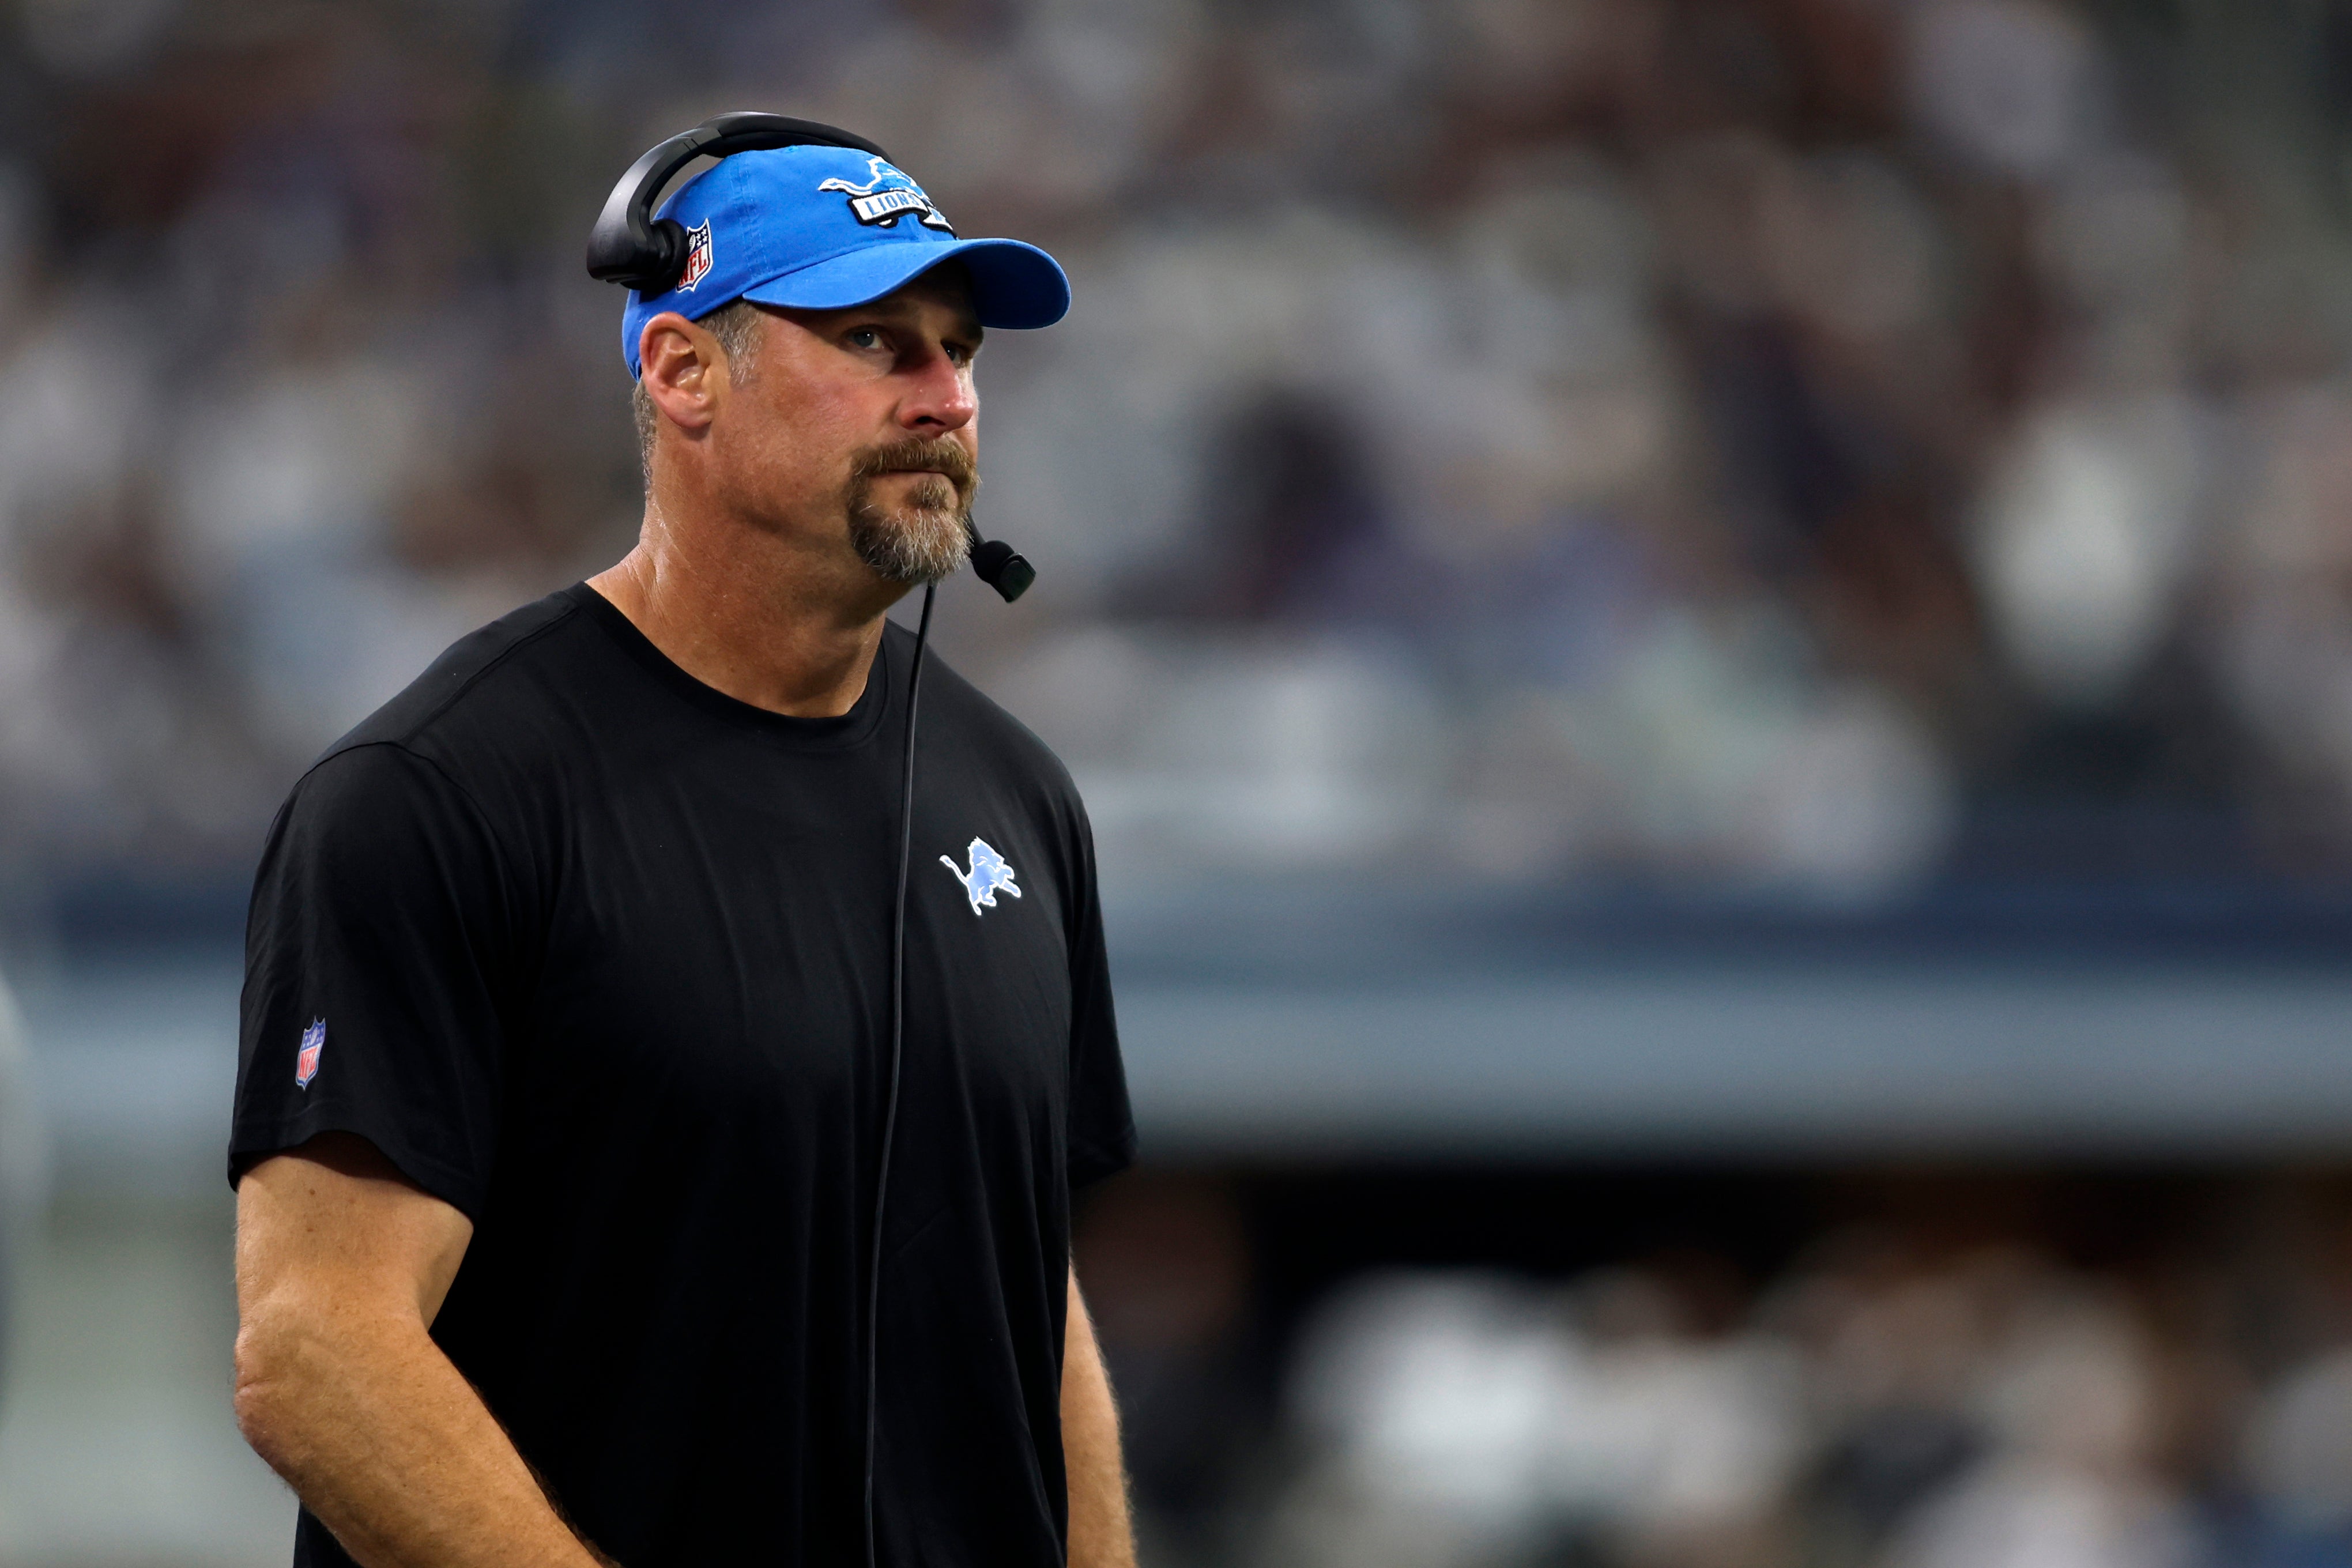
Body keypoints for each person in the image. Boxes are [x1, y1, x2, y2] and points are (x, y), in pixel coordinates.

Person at [224, 137, 1138, 1567]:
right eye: (872, 339)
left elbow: (1035, 1298)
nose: (948, 395)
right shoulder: (439, 795)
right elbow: (317, 1349)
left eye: (959, 350)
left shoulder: (1016, 793)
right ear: (680, 373)